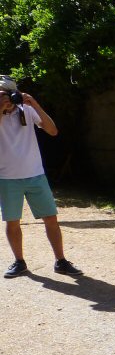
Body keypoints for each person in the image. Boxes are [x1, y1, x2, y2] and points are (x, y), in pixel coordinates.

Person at [0, 75, 82, 278]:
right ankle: (19, 262)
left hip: (35, 175)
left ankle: (61, 261)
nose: (4, 99)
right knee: (12, 222)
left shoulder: (27, 110)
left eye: (5, 94)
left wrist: (34, 103)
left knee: (51, 219)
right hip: (7, 178)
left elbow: (52, 131)